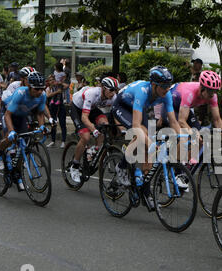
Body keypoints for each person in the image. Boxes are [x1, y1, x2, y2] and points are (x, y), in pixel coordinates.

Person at [112, 66, 182, 209]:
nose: (167, 89)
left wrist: (183, 137)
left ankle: (144, 188)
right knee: (140, 135)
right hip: (122, 106)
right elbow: (136, 125)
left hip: (139, 109)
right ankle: (121, 167)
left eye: (169, 86)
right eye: (164, 86)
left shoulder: (166, 94)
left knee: (149, 149)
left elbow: (173, 121)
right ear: (154, 85)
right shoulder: (142, 91)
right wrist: (150, 142)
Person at [0, 72, 47, 191]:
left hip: (21, 116)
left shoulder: (42, 95)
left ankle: (17, 174)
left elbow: (39, 113)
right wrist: (12, 131)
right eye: (36, 89)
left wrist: (42, 126)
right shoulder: (20, 93)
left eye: (42, 88)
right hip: (8, 113)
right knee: (10, 137)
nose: (39, 91)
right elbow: (8, 115)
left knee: (22, 146)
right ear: (30, 87)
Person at [69, 76, 120, 183]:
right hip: (77, 109)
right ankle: (75, 165)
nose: (113, 93)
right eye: (111, 90)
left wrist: (121, 128)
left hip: (91, 109)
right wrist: (94, 130)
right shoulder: (92, 94)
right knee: (86, 136)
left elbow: (116, 114)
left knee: (105, 126)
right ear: (103, 88)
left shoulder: (113, 97)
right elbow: (84, 118)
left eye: (115, 90)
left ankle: (94, 149)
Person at [45, 75, 67, 148]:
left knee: (62, 124)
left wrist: (60, 83)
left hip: (61, 107)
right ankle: (53, 141)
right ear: (48, 82)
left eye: (53, 80)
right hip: (52, 108)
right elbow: (48, 95)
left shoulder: (59, 86)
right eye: (50, 80)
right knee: (53, 124)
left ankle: (63, 141)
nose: (52, 81)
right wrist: (57, 92)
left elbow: (66, 86)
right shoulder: (48, 88)